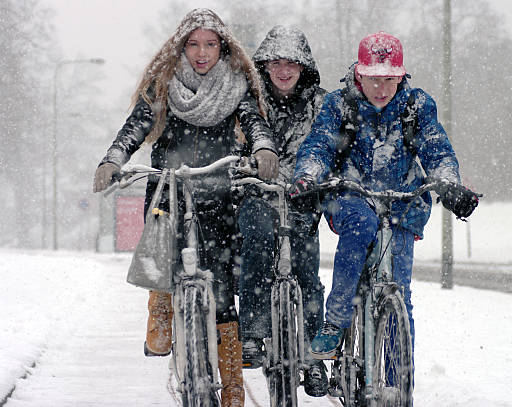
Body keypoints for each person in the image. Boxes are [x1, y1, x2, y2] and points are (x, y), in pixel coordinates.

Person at [92, 9, 278, 407]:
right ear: (181, 47)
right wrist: (113, 158)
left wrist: (263, 148)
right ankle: (160, 305)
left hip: (219, 191)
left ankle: (230, 388)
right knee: (161, 250)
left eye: (210, 44)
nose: (202, 53)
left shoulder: (236, 84)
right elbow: (136, 126)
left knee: (224, 289)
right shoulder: (164, 86)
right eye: (193, 44)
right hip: (169, 191)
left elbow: (255, 120)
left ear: (223, 48)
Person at [290, 32, 479, 361]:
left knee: (400, 293)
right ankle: (336, 321)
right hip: (351, 194)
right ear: (358, 74)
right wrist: (306, 178)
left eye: (389, 80)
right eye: (373, 80)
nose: (381, 89)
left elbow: (437, 151)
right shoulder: (340, 105)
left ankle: (396, 380)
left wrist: (449, 184)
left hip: (403, 201)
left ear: (402, 76)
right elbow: (318, 146)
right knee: (360, 227)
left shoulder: (416, 107)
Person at [235, 25, 328, 397]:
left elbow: (333, 144)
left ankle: (311, 355)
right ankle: (253, 331)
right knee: (256, 244)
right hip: (257, 194)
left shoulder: (321, 103)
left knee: (307, 271)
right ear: (265, 65)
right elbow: (235, 142)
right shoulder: (248, 102)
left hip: (303, 198)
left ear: (303, 67)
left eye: (292, 63)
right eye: (277, 62)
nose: (284, 70)